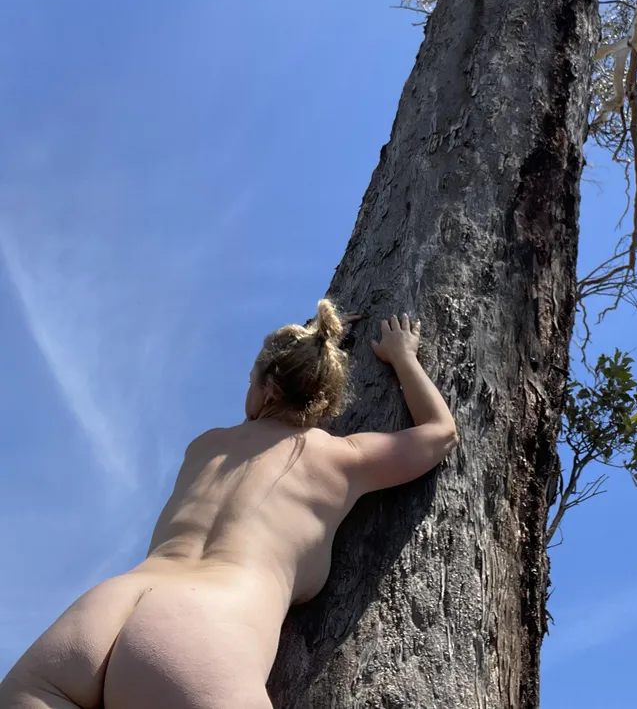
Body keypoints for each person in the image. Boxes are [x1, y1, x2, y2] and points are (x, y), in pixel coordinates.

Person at [0, 304, 458, 709]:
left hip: (100, 616)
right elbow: (440, 433)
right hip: (199, 631)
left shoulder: (206, 446)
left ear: (266, 388)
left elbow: (261, 413)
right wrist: (402, 356)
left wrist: (309, 345)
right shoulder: (341, 458)